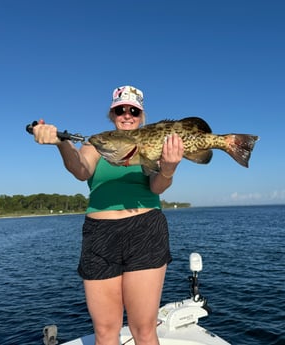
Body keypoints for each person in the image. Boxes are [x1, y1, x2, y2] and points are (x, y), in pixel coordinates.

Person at [32, 85, 184, 345]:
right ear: (112, 114)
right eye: (120, 110)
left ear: (141, 116)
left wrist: (169, 169)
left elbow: (158, 187)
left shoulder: (153, 142)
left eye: (133, 111)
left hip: (145, 230)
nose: (127, 115)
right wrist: (61, 143)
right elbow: (80, 169)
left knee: (144, 329)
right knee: (104, 332)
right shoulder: (96, 142)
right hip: (100, 235)